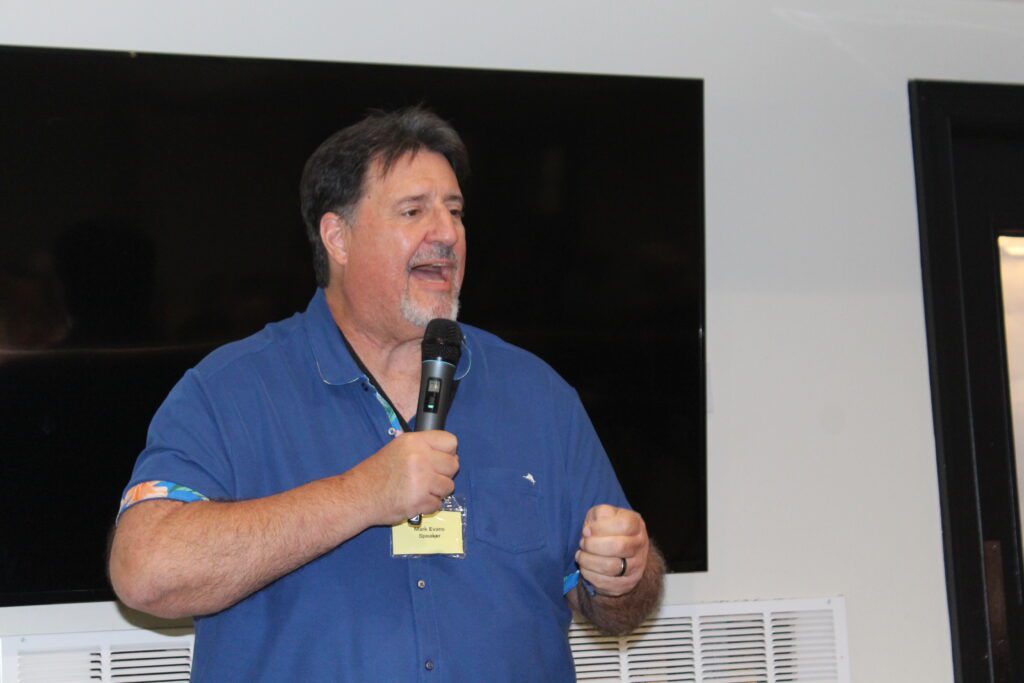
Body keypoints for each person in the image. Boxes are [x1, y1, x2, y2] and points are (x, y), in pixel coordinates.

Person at [109, 106, 665, 681]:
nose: (446, 234)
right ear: (338, 237)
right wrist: (362, 494)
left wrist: (624, 573)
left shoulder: (536, 394)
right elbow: (146, 572)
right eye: (413, 211)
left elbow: (619, 605)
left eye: (455, 212)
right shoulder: (230, 392)